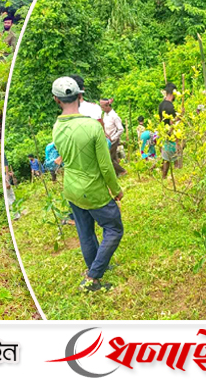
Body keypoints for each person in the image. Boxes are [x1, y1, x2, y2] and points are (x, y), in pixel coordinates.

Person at [51, 76, 123, 292]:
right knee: (113, 228)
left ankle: (98, 266)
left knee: (86, 233)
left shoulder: (56, 127)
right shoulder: (92, 127)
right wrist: (116, 190)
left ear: (57, 100)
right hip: (93, 190)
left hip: (71, 189)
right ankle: (92, 277)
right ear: (79, 95)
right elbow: (106, 166)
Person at [100, 98, 126, 177]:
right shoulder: (105, 114)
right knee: (113, 157)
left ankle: (122, 171)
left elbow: (121, 129)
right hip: (107, 139)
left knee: (109, 159)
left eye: (103, 107)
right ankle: (117, 174)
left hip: (113, 140)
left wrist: (113, 137)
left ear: (108, 106)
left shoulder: (114, 116)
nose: (102, 109)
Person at [159, 82, 178, 178]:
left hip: (163, 132)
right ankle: (164, 176)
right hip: (170, 134)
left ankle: (165, 174)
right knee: (168, 157)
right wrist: (180, 117)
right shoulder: (170, 107)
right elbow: (172, 123)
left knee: (165, 155)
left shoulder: (161, 104)